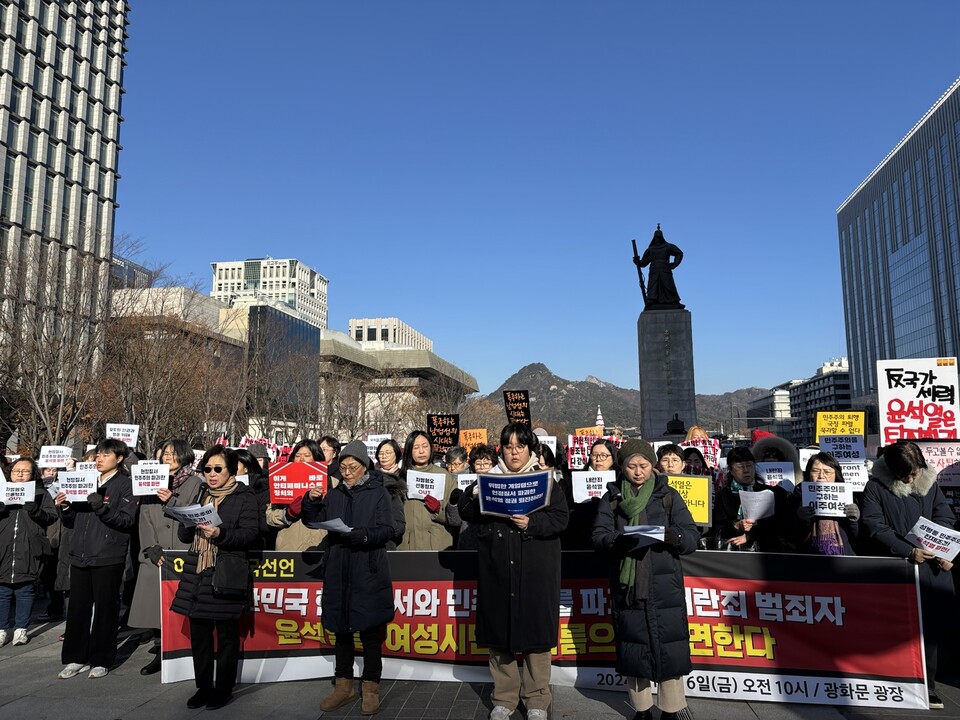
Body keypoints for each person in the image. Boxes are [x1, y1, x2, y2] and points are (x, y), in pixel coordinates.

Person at [457, 423, 569, 720]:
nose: (514, 452)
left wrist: (532, 524)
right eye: (508, 446)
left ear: (530, 449)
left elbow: (560, 519)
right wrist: (473, 491)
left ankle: (536, 699)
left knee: (536, 638)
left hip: (535, 570)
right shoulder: (489, 479)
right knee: (499, 637)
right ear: (501, 450)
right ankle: (504, 698)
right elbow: (465, 512)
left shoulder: (545, 481)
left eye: (520, 446)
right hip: (496, 569)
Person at [592, 439, 698, 720]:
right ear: (622, 467)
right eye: (631, 466)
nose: (638, 471)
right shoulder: (612, 498)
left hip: (664, 584)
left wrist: (672, 536)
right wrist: (619, 541)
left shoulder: (668, 496)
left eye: (644, 465)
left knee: (669, 645)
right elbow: (599, 536)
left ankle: (672, 707)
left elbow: (690, 538)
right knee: (633, 646)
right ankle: (641, 708)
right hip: (627, 583)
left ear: (653, 466)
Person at [301, 440, 395, 716]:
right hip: (338, 567)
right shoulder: (334, 493)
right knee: (340, 629)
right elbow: (311, 519)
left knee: (369, 631)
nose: (347, 471)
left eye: (352, 466)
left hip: (367, 569)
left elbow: (388, 529)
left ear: (364, 466)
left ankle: (370, 687)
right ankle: (343, 685)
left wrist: (364, 535)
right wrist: (310, 500)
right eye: (343, 467)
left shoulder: (379, 493)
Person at [860, 441, 955, 709]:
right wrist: (907, 550)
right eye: (907, 475)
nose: (913, 478)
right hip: (898, 567)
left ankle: (929, 686)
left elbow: (944, 516)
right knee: (899, 629)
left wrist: (943, 546)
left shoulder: (928, 482)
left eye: (915, 472)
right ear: (892, 471)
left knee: (931, 632)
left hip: (931, 566)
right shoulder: (876, 487)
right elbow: (875, 525)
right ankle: (895, 681)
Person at [170, 445, 259, 710]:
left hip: (225, 573)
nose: (211, 474)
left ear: (231, 471)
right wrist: (187, 521)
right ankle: (203, 687)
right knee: (200, 634)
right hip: (198, 572)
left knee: (227, 635)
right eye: (207, 469)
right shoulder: (201, 493)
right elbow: (185, 537)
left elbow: (250, 534)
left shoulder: (245, 497)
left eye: (217, 469)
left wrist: (220, 534)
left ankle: (223, 688)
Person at [56, 438, 139, 679]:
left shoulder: (125, 484)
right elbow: (72, 522)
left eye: (105, 455)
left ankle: (101, 658)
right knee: (78, 610)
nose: (99, 459)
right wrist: (65, 508)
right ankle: (75, 658)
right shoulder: (86, 481)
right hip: (80, 553)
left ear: (119, 458)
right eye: (97, 455)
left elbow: (126, 520)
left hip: (108, 554)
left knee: (106, 609)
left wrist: (100, 506)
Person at [128, 439, 204, 674]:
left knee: (183, 604)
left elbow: (194, 513)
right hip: (158, 553)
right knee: (157, 607)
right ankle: (161, 651)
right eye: (165, 453)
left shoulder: (195, 482)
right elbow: (144, 515)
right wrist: (150, 546)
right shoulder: (151, 481)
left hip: (184, 550)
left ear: (185, 455)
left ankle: (188, 650)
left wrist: (171, 499)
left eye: (173, 453)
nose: (168, 456)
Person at [0, 457, 57, 647]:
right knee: (3, 591)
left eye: (25, 471)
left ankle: (21, 629)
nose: (20, 474)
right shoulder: (2, 491)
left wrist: (36, 512)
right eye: (17, 471)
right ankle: (1, 629)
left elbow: (51, 517)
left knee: (25, 589)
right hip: (4, 548)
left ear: (33, 474)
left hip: (30, 548)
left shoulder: (41, 493)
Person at [705, 446, 790, 551]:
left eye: (749, 465)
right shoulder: (722, 496)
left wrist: (751, 534)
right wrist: (736, 526)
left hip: (767, 552)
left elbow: (781, 524)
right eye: (740, 467)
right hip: (733, 553)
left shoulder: (774, 493)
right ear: (730, 470)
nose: (746, 470)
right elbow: (718, 528)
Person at [789, 452, 859, 555]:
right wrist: (800, 519)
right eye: (815, 471)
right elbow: (789, 535)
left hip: (843, 557)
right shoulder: (796, 497)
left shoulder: (848, 498)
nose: (821, 476)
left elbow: (856, 537)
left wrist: (853, 521)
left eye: (827, 472)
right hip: (808, 558)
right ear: (808, 473)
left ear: (836, 474)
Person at [265, 439, 328, 551]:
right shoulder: (281, 482)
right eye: (298, 455)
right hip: (288, 547)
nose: (302, 459)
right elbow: (270, 516)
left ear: (317, 458)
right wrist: (288, 514)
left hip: (318, 547)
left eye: (307, 455)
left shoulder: (331, 482)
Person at [396, 430, 452, 551]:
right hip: (408, 545)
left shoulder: (445, 476)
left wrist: (438, 510)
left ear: (431, 448)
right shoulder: (400, 478)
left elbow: (455, 517)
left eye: (425, 446)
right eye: (416, 447)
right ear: (409, 450)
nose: (421, 451)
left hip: (437, 545)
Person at [561, 439, 618, 550]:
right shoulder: (574, 481)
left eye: (604, 455)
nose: (598, 459)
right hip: (580, 537)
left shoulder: (619, 481)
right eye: (595, 455)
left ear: (613, 458)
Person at [635, 224, 684, 308]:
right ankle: (652, 300)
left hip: (665, 268)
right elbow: (643, 263)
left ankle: (673, 300)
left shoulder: (667, 246)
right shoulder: (650, 249)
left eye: (659, 237)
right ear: (654, 238)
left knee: (668, 285)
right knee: (653, 285)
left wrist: (675, 263)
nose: (658, 239)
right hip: (654, 270)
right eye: (657, 237)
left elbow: (679, 253)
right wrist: (637, 262)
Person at [374, 439, 407, 548]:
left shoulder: (405, 475)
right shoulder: (371, 477)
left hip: (400, 528)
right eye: (381, 453)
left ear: (396, 454)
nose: (384, 456)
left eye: (388, 453)